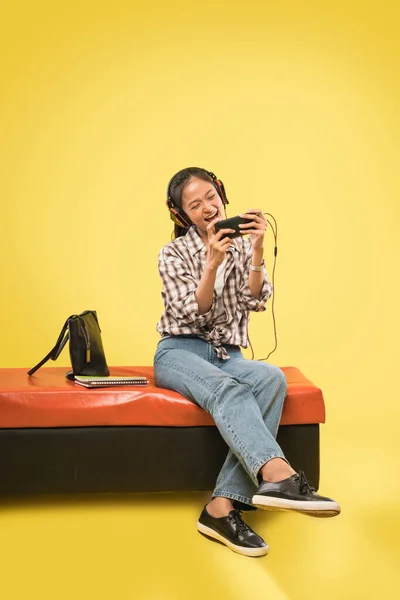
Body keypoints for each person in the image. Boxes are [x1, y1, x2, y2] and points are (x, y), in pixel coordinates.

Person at [153, 167, 340, 558]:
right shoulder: (173, 254)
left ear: (221, 193)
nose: (207, 207)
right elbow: (193, 314)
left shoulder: (239, 247)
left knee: (271, 378)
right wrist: (211, 264)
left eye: (210, 196)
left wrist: (255, 250)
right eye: (195, 204)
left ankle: (220, 509)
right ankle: (278, 476)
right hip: (179, 352)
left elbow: (257, 300)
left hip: (227, 354)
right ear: (181, 215)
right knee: (229, 389)